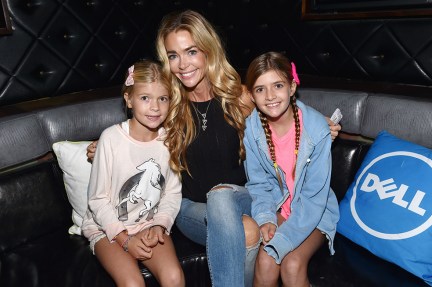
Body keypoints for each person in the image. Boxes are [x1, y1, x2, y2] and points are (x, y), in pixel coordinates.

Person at [86, 10, 341, 287]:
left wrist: (317, 121)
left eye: (191, 51)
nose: (182, 64)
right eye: (173, 55)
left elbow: (278, 105)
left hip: (242, 198)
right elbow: (140, 125)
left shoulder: (239, 98)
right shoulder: (169, 105)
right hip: (190, 208)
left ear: (208, 50)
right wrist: (107, 143)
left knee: (225, 201)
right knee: (238, 221)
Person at [81, 60, 184, 287]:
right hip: (106, 228)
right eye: (145, 98)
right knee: (132, 284)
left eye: (162, 98)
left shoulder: (170, 141)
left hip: (149, 224)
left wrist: (159, 225)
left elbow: (172, 194)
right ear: (129, 100)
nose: (155, 107)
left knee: (174, 277)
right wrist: (125, 240)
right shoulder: (110, 139)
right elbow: (97, 200)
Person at [243, 51, 340, 287]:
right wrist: (266, 218)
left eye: (277, 85)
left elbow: (314, 199)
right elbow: (259, 184)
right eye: (260, 89)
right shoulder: (252, 129)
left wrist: (284, 239)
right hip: (279, 205)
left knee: (292, 264)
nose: (270, 96)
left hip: (314, 212)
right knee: (266, 262)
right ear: (252, 96)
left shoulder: (317, 129)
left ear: (292, 87)